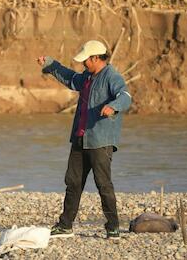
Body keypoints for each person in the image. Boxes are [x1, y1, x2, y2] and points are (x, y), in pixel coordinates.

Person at [36, 40, 132, 240]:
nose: (83, 64)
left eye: (86, 60)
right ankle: (65, 226)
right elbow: (70, 78)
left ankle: (113, 227)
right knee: (73, 182)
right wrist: (51, 64)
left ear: (96, 58)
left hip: (100, 140)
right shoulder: (88, 76)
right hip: (80, 138)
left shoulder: (111, 76)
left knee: (103, 184)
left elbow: (125, 95)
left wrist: (113, 106)